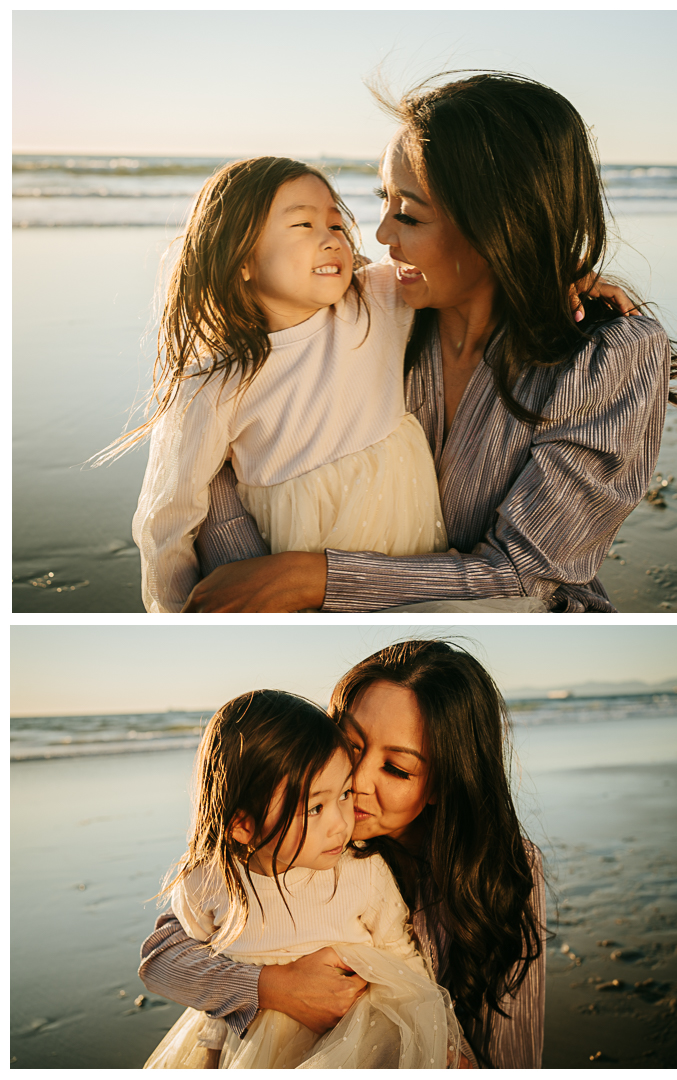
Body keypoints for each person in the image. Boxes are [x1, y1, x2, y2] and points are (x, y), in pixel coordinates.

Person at [183, 72, 677, 614]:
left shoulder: (608, 357)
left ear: (502, 225)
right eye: (385, 201)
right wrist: (247, 573)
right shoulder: (369, 313)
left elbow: (527, 574)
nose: (381, 234)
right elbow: (222, 433)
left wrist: (314, 580)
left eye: (409, 213)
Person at [139, 640, 546, 1068]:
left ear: (444, 784)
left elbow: (512, 1054)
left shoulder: (503, 865)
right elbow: (166, 950)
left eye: (397, 768)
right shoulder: (302, 837)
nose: (358, 782)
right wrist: (275, 987)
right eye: (351, 747)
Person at [120, 157, 450, 612]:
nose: (331, 239)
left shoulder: (376, 298)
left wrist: (567, 277)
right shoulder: (214, 381)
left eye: (335, 224)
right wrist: (180, 618)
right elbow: (167, 521)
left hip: (408, 570)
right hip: (300, 571)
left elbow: (464, 264)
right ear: (241, 259)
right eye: (303, 224)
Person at [144, 689, 460, 1069]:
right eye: (315, 807)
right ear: (242, 825)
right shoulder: (211, 880)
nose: (341, 823)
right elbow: (171, 955)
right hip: (244, 1050)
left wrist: (439, 1042)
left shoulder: (362, 870)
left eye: (344, 794)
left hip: (353, 1044)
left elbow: (403, 957)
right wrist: (266, 987)